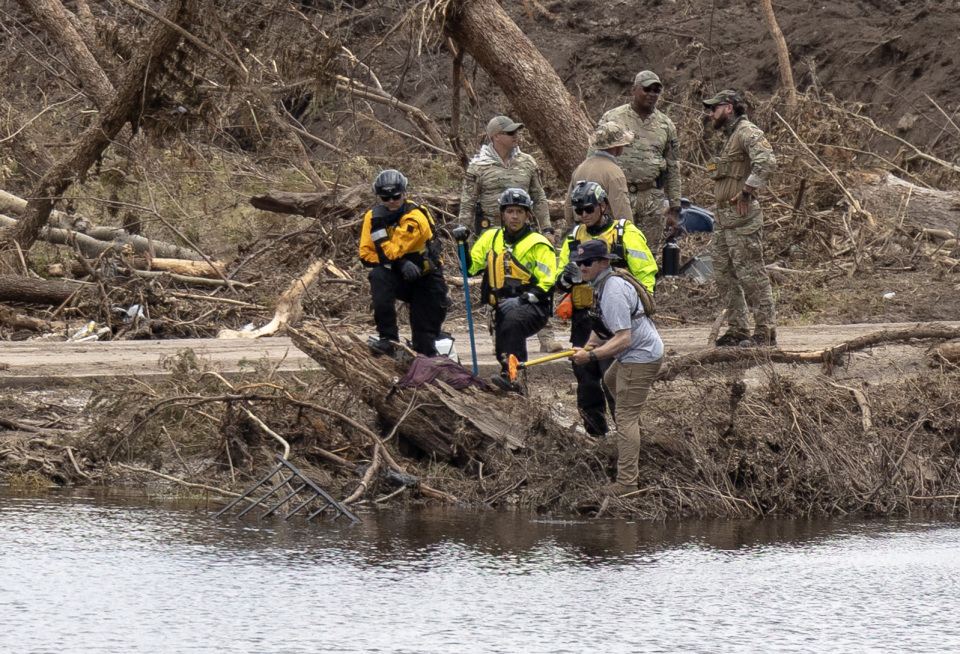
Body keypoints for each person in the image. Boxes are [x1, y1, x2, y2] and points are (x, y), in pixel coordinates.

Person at [555, 182, 657, 438]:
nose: (584, 215)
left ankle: (626, 433)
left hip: (616, 316)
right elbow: (559, 276)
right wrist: (564, 279)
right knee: (585, 378)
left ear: (602, 206)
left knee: (612, 378)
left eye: (589, 209)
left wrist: (638, 306)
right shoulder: (574, 236)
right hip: (584, 315)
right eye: (579, 211)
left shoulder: (625, 233)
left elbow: (646, 272)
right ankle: (595, 434)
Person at [457, 115, 565, 353]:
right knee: (496, 283)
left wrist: (547, 228)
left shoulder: (527, 162)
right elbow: (467, 201)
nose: (516, 135)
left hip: (525, 235)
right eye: (510, 132)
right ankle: (499, 332)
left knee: (534, 280)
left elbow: (539, 197)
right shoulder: (478, 166)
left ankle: (546, 336)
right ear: (496, 136)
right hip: (492, 235)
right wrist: (462, 233)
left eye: (516, 131)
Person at [569, 240, 663, 496]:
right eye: (579, 263)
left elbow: (623, 339)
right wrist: (589, 345)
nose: (582, 267)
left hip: (640, 356)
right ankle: (634, 442)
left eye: (587, 262)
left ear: (603, 263)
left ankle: (627, 483)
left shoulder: (612, 291)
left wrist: (591, 356)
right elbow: (603, 328)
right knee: (610, 381)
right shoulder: (600, 285)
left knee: (625, 416)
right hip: (632, 354)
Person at [452, 188, 557, 392]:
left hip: (533, 306)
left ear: (527, 215)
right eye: (510, 211)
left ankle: (513, 377)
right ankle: (513, 389)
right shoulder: (491, 238)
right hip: (500, 307)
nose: (514, 216)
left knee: (513, 322)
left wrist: (522, 300)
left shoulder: (538, 244)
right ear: (502, 214)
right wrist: (462, 244)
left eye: (519, 212)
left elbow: (548, 282)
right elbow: (469, 269)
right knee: (502, 350)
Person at [702, 89, 778, 347]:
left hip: (742, 216)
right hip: (723, 218)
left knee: (751, 274)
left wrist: (747, 191)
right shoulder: (730, 137)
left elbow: (767, 161)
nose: (711, 113)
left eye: (714, 108)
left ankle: (766, 331)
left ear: (729, 108)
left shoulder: (746, 132)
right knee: (724, 275)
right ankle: (738, 329)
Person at [359, 169, 448, 357]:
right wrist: (400, 264)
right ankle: (388, 338)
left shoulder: (415, 218)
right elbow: (365, 256)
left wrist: (379, 227)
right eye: (385, 198)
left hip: (426, 279)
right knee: (378, 275)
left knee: (424, 342)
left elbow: (389, 253)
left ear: (404, 193)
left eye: (396, 196)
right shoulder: (372, 216)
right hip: (399, 278)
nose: (391, 201)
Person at [596, 70, 681, 251]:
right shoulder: (612, 118)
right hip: (618, 195)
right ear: (634, 90)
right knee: (614, 250)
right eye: (647, 89)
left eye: (656, 91)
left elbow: (673, 168)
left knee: (646, 254)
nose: (652, 94)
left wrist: (674, 209)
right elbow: (595, 159)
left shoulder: (666, 125)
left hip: (652, 200)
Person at [564, 122, 634, 226]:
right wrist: (629, 231)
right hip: (606, 231)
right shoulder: (614, 173)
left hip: (582, 230)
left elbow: (569, 208)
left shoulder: (580, 168)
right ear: (617, 145)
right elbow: (622, 213)